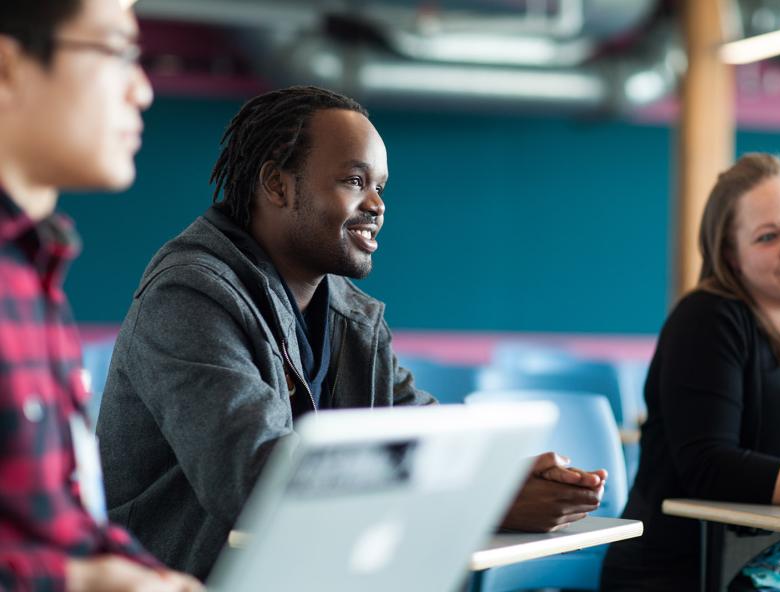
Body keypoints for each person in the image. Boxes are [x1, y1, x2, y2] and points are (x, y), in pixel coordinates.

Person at [96, 85, 609, 580]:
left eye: (380, 187)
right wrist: (485, 500)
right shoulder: (190, 294)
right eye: (354, 181)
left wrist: (505, 477)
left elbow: (427, 433)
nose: (378, 205)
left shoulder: (352, 317)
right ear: (277, 185)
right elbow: (257, 480)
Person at [601, 153, 780, 591]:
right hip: (690, 575)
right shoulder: (707, 319)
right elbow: (710, 466)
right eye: (768, 236)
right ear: (731, 257)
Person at [0, 0, 202, 590]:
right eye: (118, 52)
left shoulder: (30, 272)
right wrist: (80, 582)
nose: (142, 91)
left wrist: (154, 579)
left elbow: (63, 525)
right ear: (8, 70)